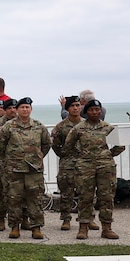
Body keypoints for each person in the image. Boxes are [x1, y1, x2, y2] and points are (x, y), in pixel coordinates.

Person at [65, 99, 126, 239]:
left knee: (106, 197)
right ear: (86, 112)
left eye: (97, 110)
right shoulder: (78, 128)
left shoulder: (108, 127)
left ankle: (107, 228)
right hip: (85, 168)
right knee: (85, 197)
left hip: (106, 167)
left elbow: (120, 145)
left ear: (101, 111)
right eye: (91, 110)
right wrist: (82, 156)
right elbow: (68, 146)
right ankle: (83, 228)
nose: (94, 112)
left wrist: (108, 154)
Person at [0, 98, 51, 239]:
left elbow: (46, 145)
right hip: (14, 170)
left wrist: (36, 157)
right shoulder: (9, 127)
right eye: (22, 107)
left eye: (27, 107)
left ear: (31, 109)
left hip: (34, 171)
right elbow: (0, 146)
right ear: (17, 109)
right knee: (14, 199)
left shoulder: (39, 126)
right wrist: (11, 160)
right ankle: (14, 227)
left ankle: (36, 228)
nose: (25, 110)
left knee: (35, 200)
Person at [51, 96, 84, 230]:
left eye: (77, 105)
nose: (75, 108)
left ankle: (87, 218)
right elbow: (54, 145)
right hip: (67, 165)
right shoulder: (60, 127)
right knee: (66, 194)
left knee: (86, 193)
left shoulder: (87, 125)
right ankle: (66, 219)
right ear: (67, 108)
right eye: (72, 106)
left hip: (85, 164)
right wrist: (65, 156)